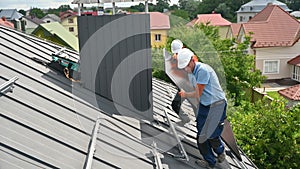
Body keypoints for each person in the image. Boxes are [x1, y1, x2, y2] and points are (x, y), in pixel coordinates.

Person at [177, 48, 227, 169]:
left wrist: (185, 95)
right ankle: (210, 162)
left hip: (217, 105)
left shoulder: (203, 70)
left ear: (192, 61)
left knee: (212, 135)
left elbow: (197, 93)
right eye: (183, 67)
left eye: (186, 66)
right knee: (201, 137)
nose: (185, 69)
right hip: (205, 106)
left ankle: (220, 151)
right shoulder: (192, 73)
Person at [170, 39, 198, 121]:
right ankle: (186, 119)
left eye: (178, 52)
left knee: (196, 107)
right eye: (176, 53)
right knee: (175, 104)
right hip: (184, 84)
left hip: (191, 85)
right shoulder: (176, 57)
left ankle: (202, 126)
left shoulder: (191, 57)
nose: (177, 54)